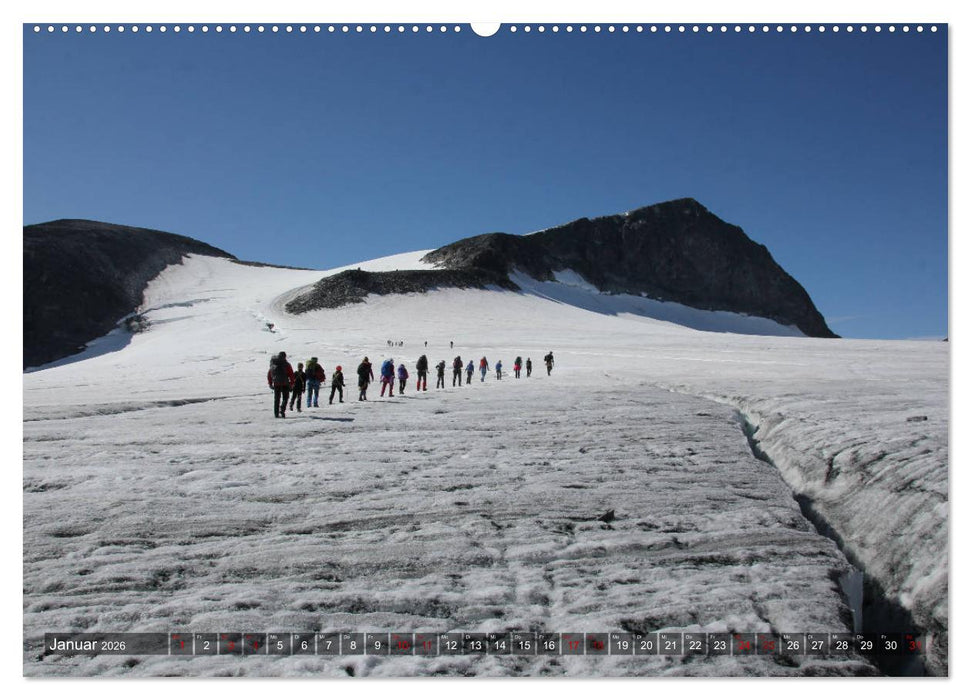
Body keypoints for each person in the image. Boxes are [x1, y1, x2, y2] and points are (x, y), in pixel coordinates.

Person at [267, 351, 294, 418]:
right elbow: (291, 374)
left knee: (277, 399)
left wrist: (270, 383)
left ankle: (276, 414)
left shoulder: (273, 364)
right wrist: (291, 383)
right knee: (285, 398)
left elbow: (269, 374)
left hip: (276, 384)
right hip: (285, 383)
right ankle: (282, 409)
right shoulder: (287, 364)